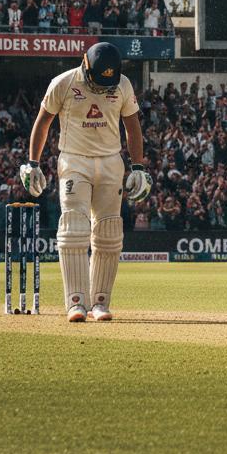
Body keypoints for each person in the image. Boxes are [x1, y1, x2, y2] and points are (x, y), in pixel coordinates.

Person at [20, 41, 152, 322]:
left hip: (110, 162)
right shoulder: (64, 83)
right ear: (85, 63)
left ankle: (101, 302)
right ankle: (76, 302)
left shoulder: (123, 85)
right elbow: (43, 121)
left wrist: (138, 166)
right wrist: (33, 162)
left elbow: (132, 125)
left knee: (109, 232)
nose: (104, 87)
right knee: (74, 228)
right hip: (74, 160)